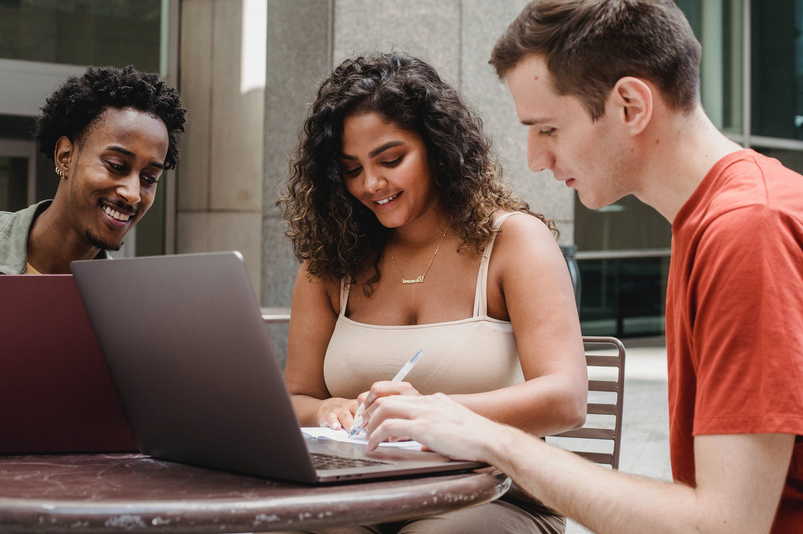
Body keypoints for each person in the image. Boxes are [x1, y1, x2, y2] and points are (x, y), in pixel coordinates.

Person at [363, 2, 803, 534]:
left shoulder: (746, 229)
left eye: (547, 129)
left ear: (630, 105)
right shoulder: (717, 217)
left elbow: (726, 525)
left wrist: (486, 434)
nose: (533, 158)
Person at [279, 52, 588, 533]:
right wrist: (323, 409)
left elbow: (566, 399)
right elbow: (294, 396)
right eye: (352, 168)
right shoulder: (330, 263)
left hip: (493, 497)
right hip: (360, 498)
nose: (371, 184)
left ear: (439, 147)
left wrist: (430, 414)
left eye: (390, 160)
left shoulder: (512, 242)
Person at [0, 65, 187, 274]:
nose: (133, 194)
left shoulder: (121, 300)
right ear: (65, 157)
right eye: (117, 166)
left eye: (149, 178)